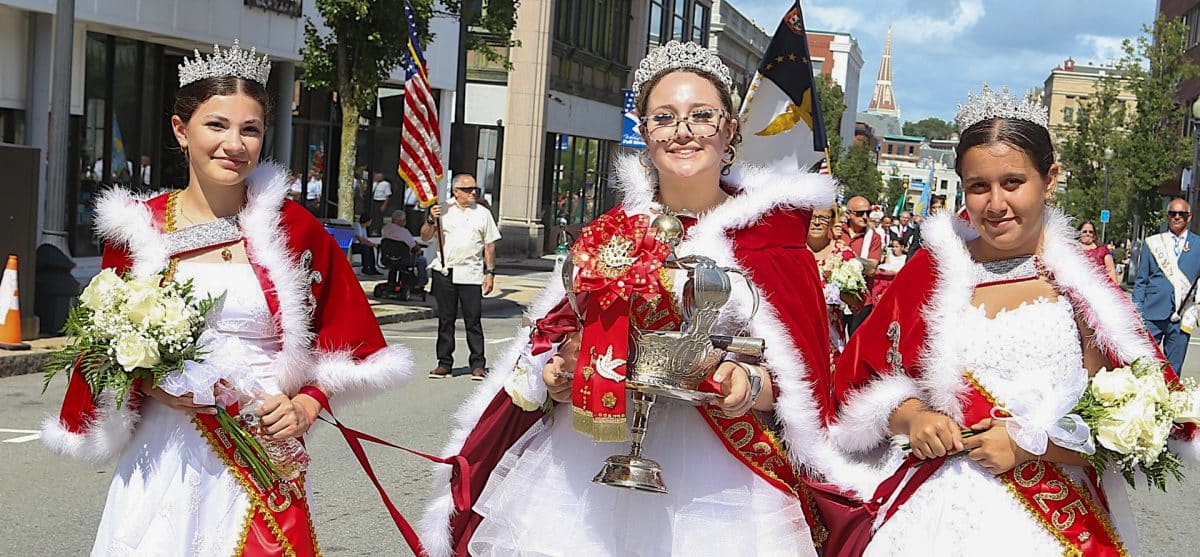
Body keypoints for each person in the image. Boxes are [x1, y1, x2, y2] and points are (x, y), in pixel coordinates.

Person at [418, 40, 879, 557]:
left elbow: (808, 384)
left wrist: (747, 384)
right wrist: (556, 372)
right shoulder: (610, 232)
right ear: (644, 131)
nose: (683, 132)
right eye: (665, 117)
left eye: (702, 115)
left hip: (722, 481)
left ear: (730, 129)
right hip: (587, 461)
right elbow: (551, 337)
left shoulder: (771, 240)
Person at [40, 42, 412, 555]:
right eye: (216, 125)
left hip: (262, 440)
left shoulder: (292, 229)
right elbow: (106, 346)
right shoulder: (138, 232)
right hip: (166, 446)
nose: (233, 144)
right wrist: (146, 378)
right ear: (181, 130)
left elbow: (348, 337)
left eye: (250, 130)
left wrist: (306, 405)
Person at [826, 85, 1200, 556]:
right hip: (935, 510)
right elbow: (856, 383)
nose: (996, 204)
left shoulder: (1085, 293)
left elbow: (1143, 423)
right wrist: (912, 416)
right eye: (978, 187)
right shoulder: (931, 273)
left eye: (1013, 183)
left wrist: (1031, 446)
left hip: (1053, 515)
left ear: (1050, 179)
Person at [422, 174, 500, 381]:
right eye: (468, 189)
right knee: (446, 320)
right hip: (446, 270)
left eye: (475, 188)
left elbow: (489, 245)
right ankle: (444, 363)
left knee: (472, 319)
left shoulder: (482, 213)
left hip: (471, 272)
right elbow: (425, 236)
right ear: (455, 191)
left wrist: (490, 272)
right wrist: (430, 219)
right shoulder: (442, 210)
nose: (473, 192)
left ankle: (477, 364)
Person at [1133, 197, 1200, 374]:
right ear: (1167, 216)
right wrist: (1136, 312)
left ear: (1189, 217)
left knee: (1173, 371)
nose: (1177, 217)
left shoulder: (1198, 245)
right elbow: (1141, 281)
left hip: (1182, 316)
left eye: (1182, 214)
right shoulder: (1153, 243)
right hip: (1151, 315)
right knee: (1143, 367)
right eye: (1173, 213)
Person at [808, 205, 858, 356]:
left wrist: (838, 293)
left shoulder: (843, 253)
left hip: (830, 338)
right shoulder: (792, 251)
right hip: (797, 334)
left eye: (823, 218)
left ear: (831, 222)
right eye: (812, 218)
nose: (817, 223)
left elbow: (858, 302)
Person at [840, 196, 882, 334]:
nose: (865, 217)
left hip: (862, 301)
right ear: (848, 214)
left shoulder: (874, 237)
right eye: (859, 213)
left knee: (855, 348)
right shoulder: (836, 232)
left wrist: (849, 256)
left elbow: (871, 269)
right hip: (835, 299)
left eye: (868, 213)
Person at [383, 209, 428, 288]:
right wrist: (419, 249)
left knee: (397, 260)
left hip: (387, 258)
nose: (405, 221)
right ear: (399, 220)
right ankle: (421, 283)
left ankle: (392, 281)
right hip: (403, 259)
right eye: (404, 220)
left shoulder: (385, 228)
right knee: (422, 260)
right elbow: (414, 247)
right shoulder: (404, 232)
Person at [371, 172, 393, 236]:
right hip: (374, 201)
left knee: (379, 217)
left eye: (378, 177)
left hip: (381, 201)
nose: (376, 178)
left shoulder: (386, 184)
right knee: (373, 216)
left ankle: (377, 230)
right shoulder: (374, 183)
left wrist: (384, 205)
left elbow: (387, 196)